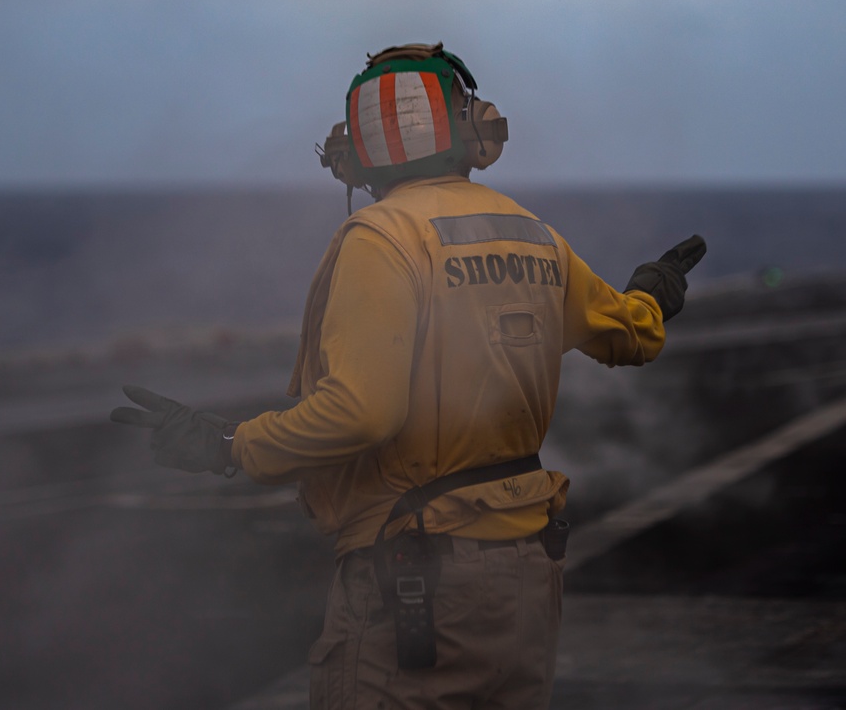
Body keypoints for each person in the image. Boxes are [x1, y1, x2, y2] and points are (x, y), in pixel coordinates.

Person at [111, 42, 706, 710]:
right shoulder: (531, 233)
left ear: (353, 157)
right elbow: (630, 335)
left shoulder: (382, 236)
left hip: (417, 577)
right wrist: (654, 292)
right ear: (476, 131)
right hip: (527, 573)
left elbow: (363, 410)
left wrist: (229, 448)